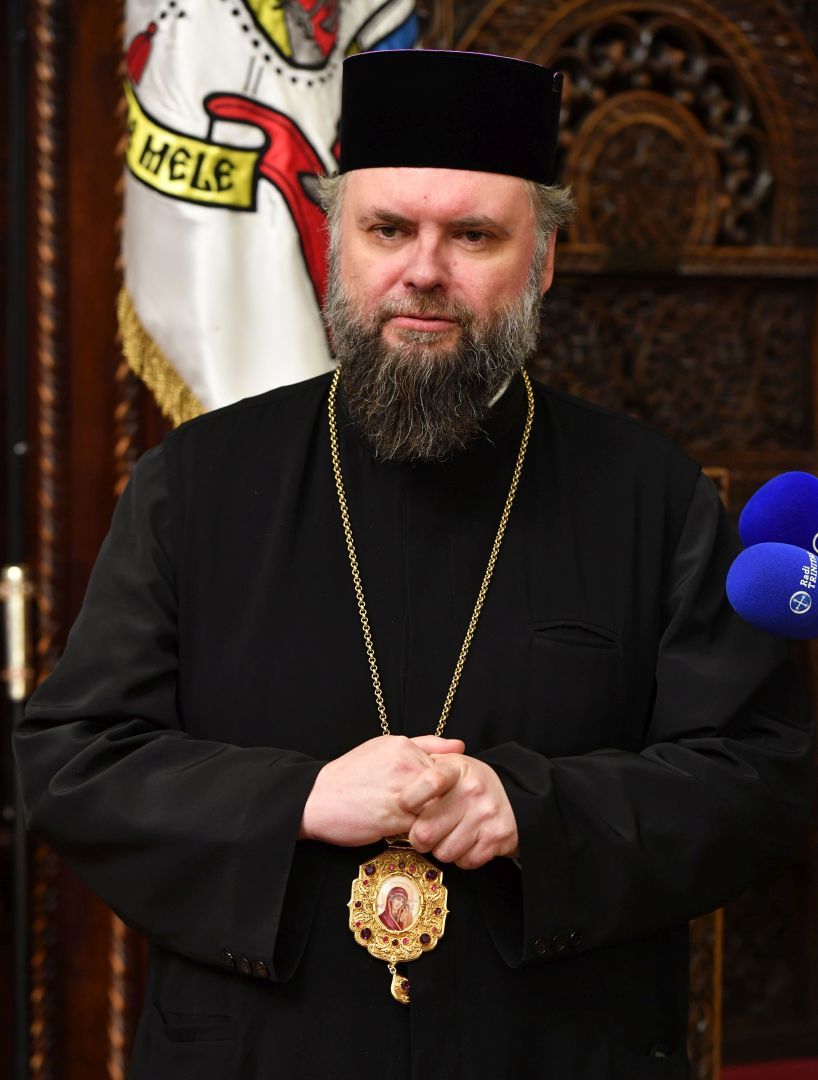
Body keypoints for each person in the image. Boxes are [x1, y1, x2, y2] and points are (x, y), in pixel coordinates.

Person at [14, 49, 813, 1080]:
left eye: (472, 235)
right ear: (335, 244)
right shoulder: (196, 482)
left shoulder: (650, 495)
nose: (423, 270)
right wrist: (299, 800)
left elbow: (756, 779)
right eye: (387, 229)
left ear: (542, 260)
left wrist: (529, 812)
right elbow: (74, 762)